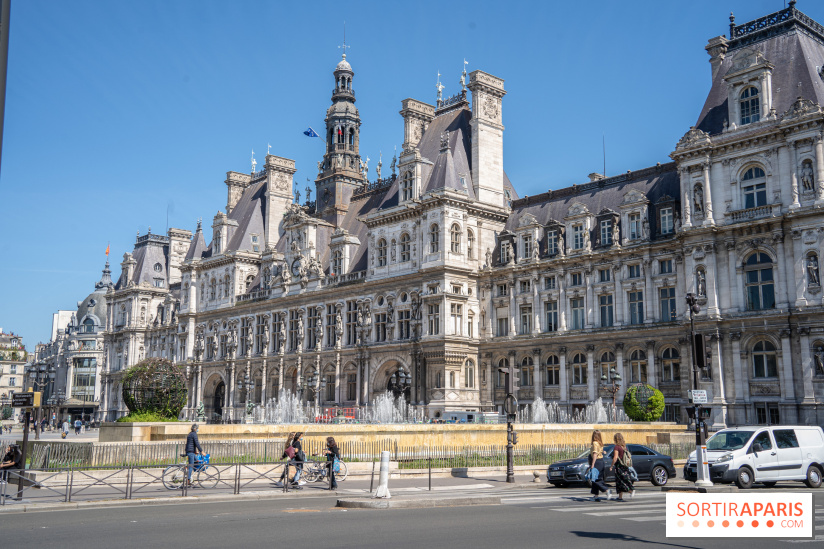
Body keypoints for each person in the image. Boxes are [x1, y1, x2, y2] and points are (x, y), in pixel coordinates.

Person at [588, 430, 612, 501]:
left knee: (595, 479)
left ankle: (607, 491)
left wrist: (592, 464)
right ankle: (596, 496)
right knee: (597, 478)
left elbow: (595, 454)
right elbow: (601, 451)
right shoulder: (600, 443)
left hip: (597, 462)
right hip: (601, 462)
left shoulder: (595, 443)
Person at [611, 433, 634, 501]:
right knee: (622, 481)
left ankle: (630, 491)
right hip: (625, 466)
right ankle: (620, 497)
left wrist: (611, 466)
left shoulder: (617, 447)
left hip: (619, 467)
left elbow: (615, 458)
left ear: (615, 439)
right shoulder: (624, 447)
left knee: (620, 481)